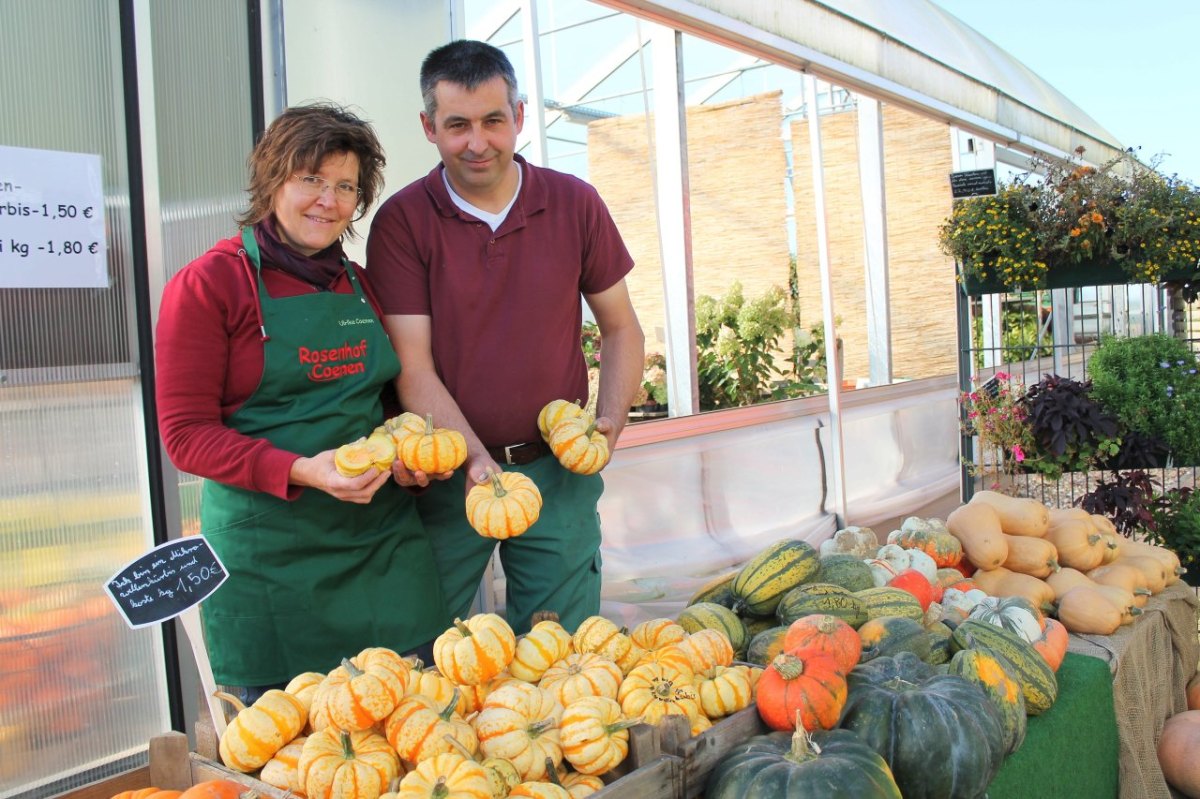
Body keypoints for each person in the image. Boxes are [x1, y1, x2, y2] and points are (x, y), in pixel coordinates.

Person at [155, 102, 446, 698]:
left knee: (419, 735)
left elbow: (383, 404)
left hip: (381, 550)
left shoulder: (360, 285)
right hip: (271, 560)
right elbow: (184, 435)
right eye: (310, 178)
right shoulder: (211, 284)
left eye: (345, 186)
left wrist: (410, 461)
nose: (328, 200)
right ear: (271, 181)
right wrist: (301, 470)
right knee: (295, 760)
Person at [366, 40, 645, 636]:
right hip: (445, 482)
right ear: (428, 127)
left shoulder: (574, 203)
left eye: (494, 121)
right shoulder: (404, 222)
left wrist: (608, 426)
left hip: (556, 475)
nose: (478, 142)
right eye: (457, 125)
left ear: (518, 115)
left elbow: (620, 327)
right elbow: (412, 367)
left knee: (558, 652)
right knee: (423, 654)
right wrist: (473, 460)